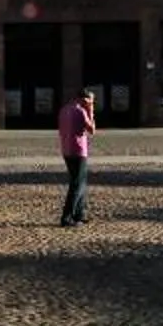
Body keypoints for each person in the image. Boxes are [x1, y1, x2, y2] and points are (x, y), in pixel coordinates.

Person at [57, 86, 96, 227]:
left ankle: (79, 214)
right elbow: (92, 130)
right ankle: (67, 217)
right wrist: (91, 111)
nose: (92, 103)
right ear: (85, 99)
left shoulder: (64, 110)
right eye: (91, 101)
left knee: (79, 182)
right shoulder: (80, 111)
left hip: (66, 150)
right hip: (79, 151)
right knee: (77, 185)